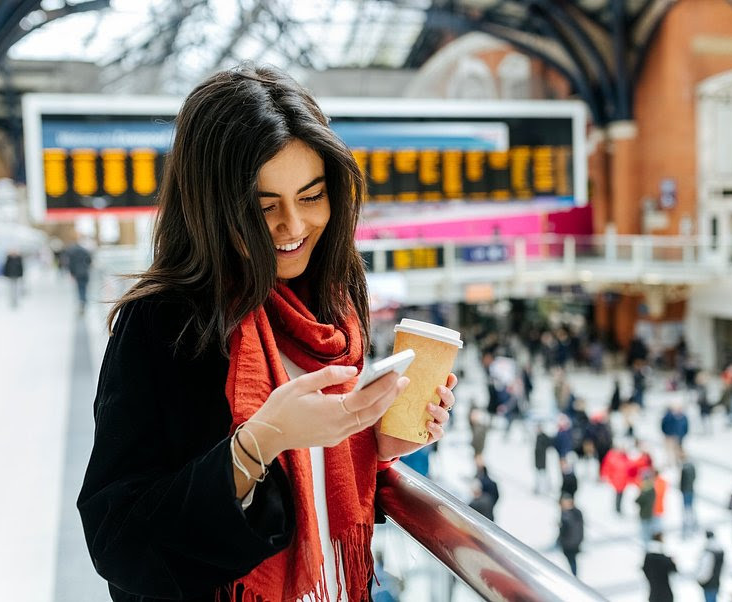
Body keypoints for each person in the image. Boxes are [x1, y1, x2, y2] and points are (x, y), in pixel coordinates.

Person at [77, 64, 459, 602]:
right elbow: (116, 538)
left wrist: (376, 442)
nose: (294, 227)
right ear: (210, 207)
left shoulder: (334, 301)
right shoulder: (165, 321)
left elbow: (318, 495)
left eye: (311, 196)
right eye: (263, 208)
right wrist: (259, 443)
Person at [642, 533, 676, 602]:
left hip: (653, 594)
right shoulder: (663, 557)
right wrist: (672, 561)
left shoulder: (648, 557)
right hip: (665, 594)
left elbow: (645, 570)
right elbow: (673, 569)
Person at [557, 494, 584, 576]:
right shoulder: (573, 513)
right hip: (572, 542)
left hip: (570, 543)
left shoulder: (568, 515)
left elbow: (573, 529)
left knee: (571, 561)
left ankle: (574, 576)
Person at [64, 236, 93, 314]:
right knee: (84, 287)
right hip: (85, 272)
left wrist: (72, 273)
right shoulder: (84, 250)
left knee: (80, 287)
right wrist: (86, 266)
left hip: (77, 273)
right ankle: (84, 300)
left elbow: (70, 263)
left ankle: (82, 300)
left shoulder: (71, 252)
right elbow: (90, 260)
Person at [696, 530, 723, 602]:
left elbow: (705, 570)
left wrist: (700, 580)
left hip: (709, 583)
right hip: (716, 582)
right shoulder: (719, 550)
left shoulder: (709, 552)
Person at [636, 472, 657, 545]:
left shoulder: (645, 490)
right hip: (650, 512)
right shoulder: (652, 489)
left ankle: (646, 544)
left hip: (644, 513)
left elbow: (638, 500)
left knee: (645, 530)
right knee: (649, 529)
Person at [679, 454, 697, 538]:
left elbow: (682, 481)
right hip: (690, 490)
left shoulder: (685, 468)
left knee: (687, 509)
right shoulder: (692, 467)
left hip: (686, 490)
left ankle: (688, 527)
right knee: (690, 508)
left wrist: (682, 489)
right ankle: (693, 525)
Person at [533, 423, 551, 494]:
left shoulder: (544, 436)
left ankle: (546, 488)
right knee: (538, 475)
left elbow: (548, 445)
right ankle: (538, 488)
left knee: (544, 474)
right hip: (537, 459)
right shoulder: (537, 436)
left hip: (543, 458)